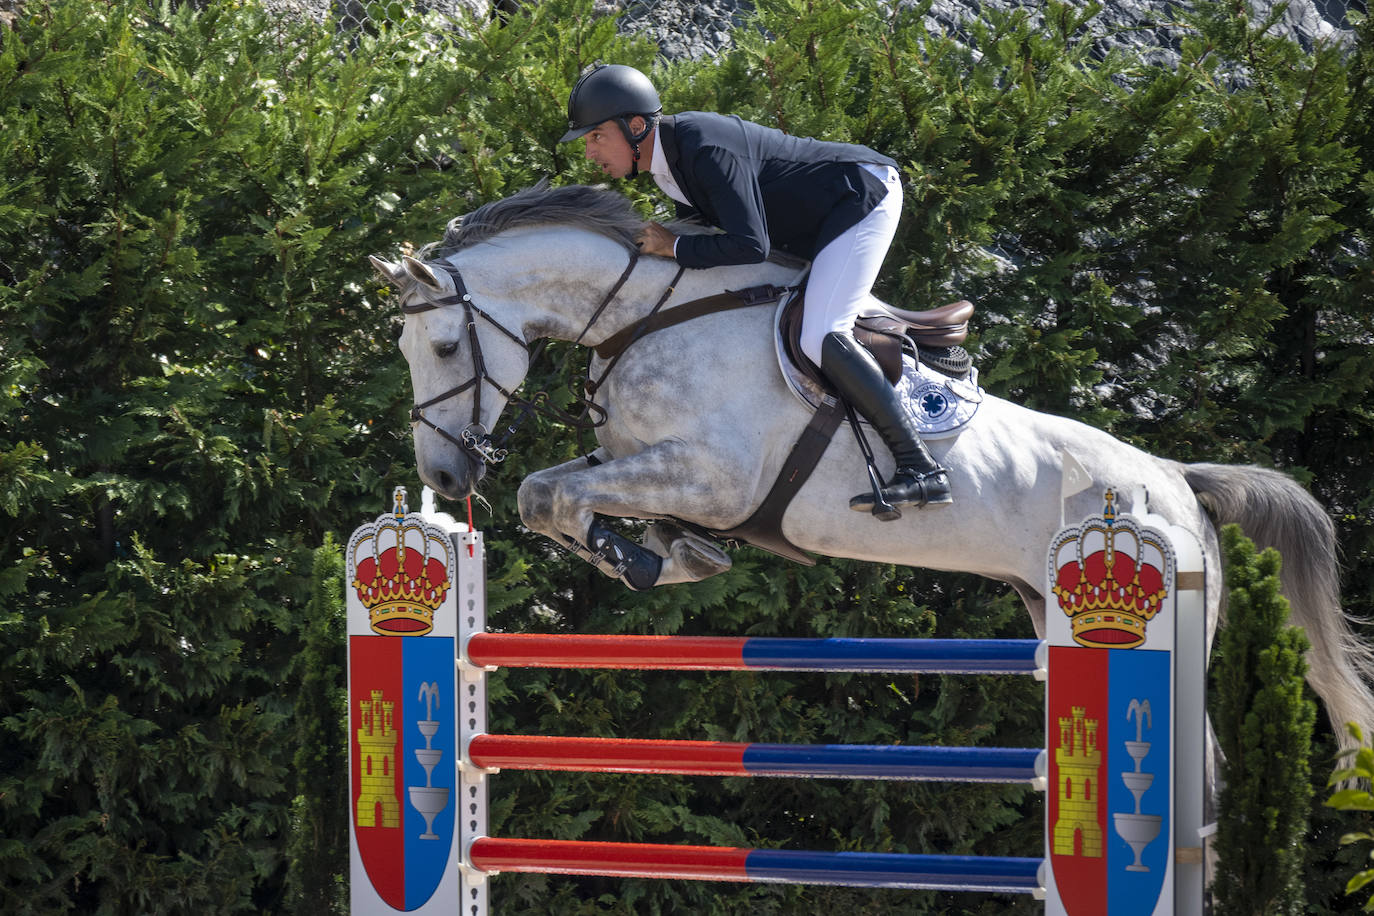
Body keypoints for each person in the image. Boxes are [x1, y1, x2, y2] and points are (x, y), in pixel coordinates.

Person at [560, 63, 952, 513]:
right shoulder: (669, 169)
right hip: (817, 222)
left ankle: (921, 468)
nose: (590, 152)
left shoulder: (701, 145)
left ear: (634, 126)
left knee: (820, 334)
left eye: (595, 136)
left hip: (860, 194)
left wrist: (675, 246)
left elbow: (748, 244)